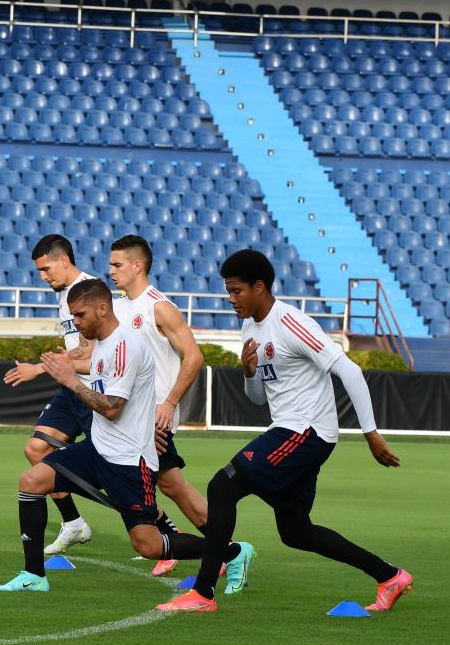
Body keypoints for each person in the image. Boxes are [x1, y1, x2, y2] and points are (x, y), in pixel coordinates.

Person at [159, 249, 411, 613]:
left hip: (305, 431)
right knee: (295, 532)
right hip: (293, 430)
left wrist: (371, 433)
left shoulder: (292, 322)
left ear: (259, 287)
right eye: (228, 292)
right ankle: (390, 576)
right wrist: (249, 372)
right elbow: (259, 397)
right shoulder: (250, 327)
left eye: (236, 291)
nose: (231, 300)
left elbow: (350, 372)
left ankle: (202, 594)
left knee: (222, 485)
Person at [0, 278, 205, 593]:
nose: (75, 323)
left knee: (147, 546)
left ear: (102, 309)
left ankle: (229, 549)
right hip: (97, 452)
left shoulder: (125, 346)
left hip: (129, 462)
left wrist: (69, 380)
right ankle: (34, 575)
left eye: (80, 316)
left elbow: (112, 409)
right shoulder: (104, 345)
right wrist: (49, 369)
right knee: (31, 481)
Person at [109, 234, 211, 576]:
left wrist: (169, 403)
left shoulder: (159, 307)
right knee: (159, 484)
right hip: (126, 413)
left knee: (165, 484)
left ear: (138, 266)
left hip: (155, 412)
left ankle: (222, 548)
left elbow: (194, 356)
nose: (111, 270)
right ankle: (197, 544)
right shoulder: (119, 306)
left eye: (117, 264)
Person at [3, 234, 95, 554]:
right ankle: (73, 523)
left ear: (64, 261)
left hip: (94, 390)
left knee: (121, 473)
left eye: (46, 269)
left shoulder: (90, 292)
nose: (43, 277)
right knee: (36, 448)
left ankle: (164, 533)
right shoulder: (64, 293)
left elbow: (93, 350)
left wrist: (39, 369)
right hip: (71, 386)